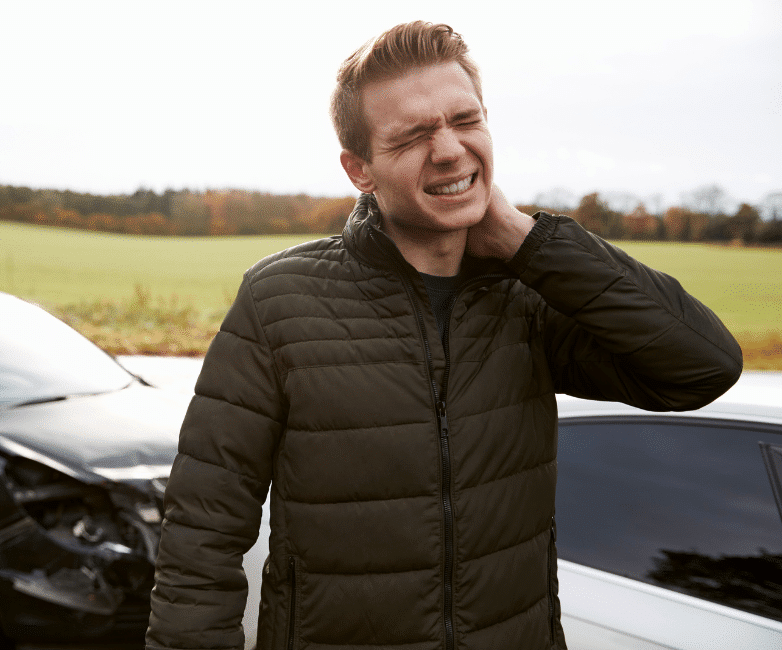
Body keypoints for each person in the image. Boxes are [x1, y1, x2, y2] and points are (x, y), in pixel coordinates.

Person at [145, 21, 742, 650]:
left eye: (466, 119)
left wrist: (524, 238)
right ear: (359, 170)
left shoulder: (529, 297)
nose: (451, 149)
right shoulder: (279, 300)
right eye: (413, 136)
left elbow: (701, 365)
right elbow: (200, 537)